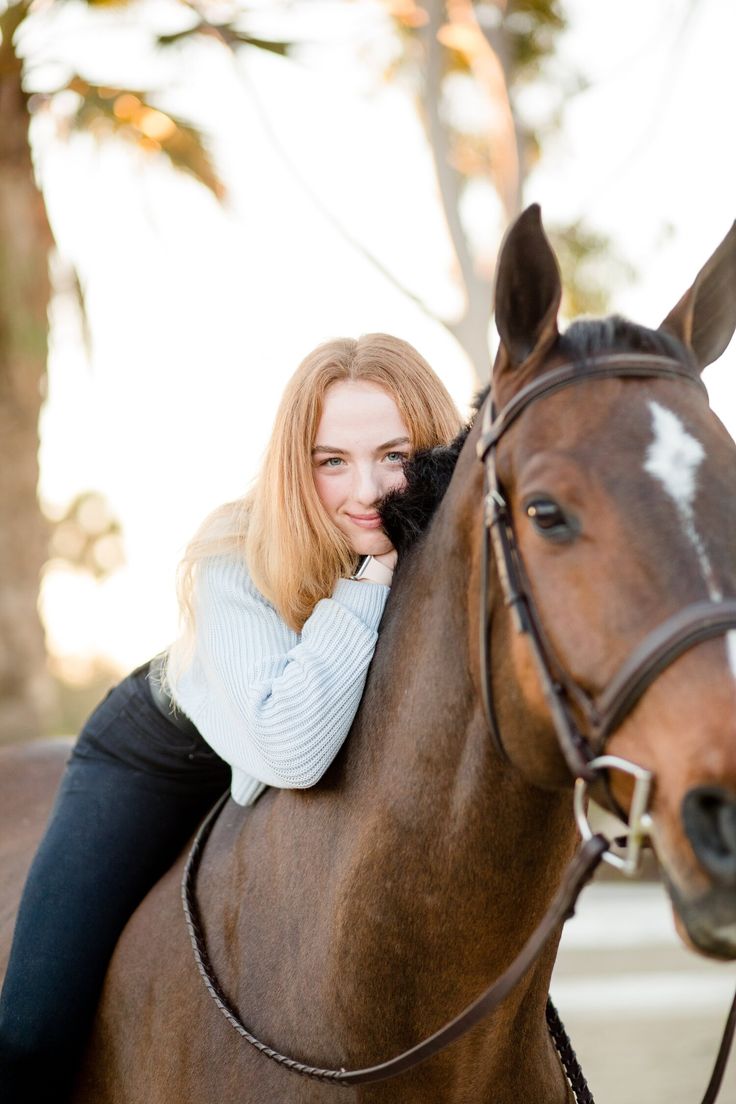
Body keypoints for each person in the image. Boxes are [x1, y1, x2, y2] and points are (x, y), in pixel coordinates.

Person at [0, 333, 461, 1101]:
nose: (369, 491)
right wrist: (376, 576)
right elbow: (288, 751)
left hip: (297, 750)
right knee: (31, 1028)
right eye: (331, 462)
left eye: (396, 454)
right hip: (160, 756)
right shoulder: (234, 554)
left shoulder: (449, 553)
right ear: (295, 464)